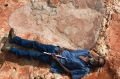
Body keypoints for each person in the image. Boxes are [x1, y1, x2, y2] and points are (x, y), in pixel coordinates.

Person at [1, 28, 106, 79]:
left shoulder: (85, 70)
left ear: (96, 65)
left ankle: (10, 49)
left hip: (54, 60)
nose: (95, 60)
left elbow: (70, 73)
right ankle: (14, 39)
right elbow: (73, 51)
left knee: (32, 55)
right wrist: (62, 49)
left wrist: (57, 61)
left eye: (97, 62)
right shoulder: (87, 53)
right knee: (35, 44)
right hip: (56, 50)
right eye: (97, 59)